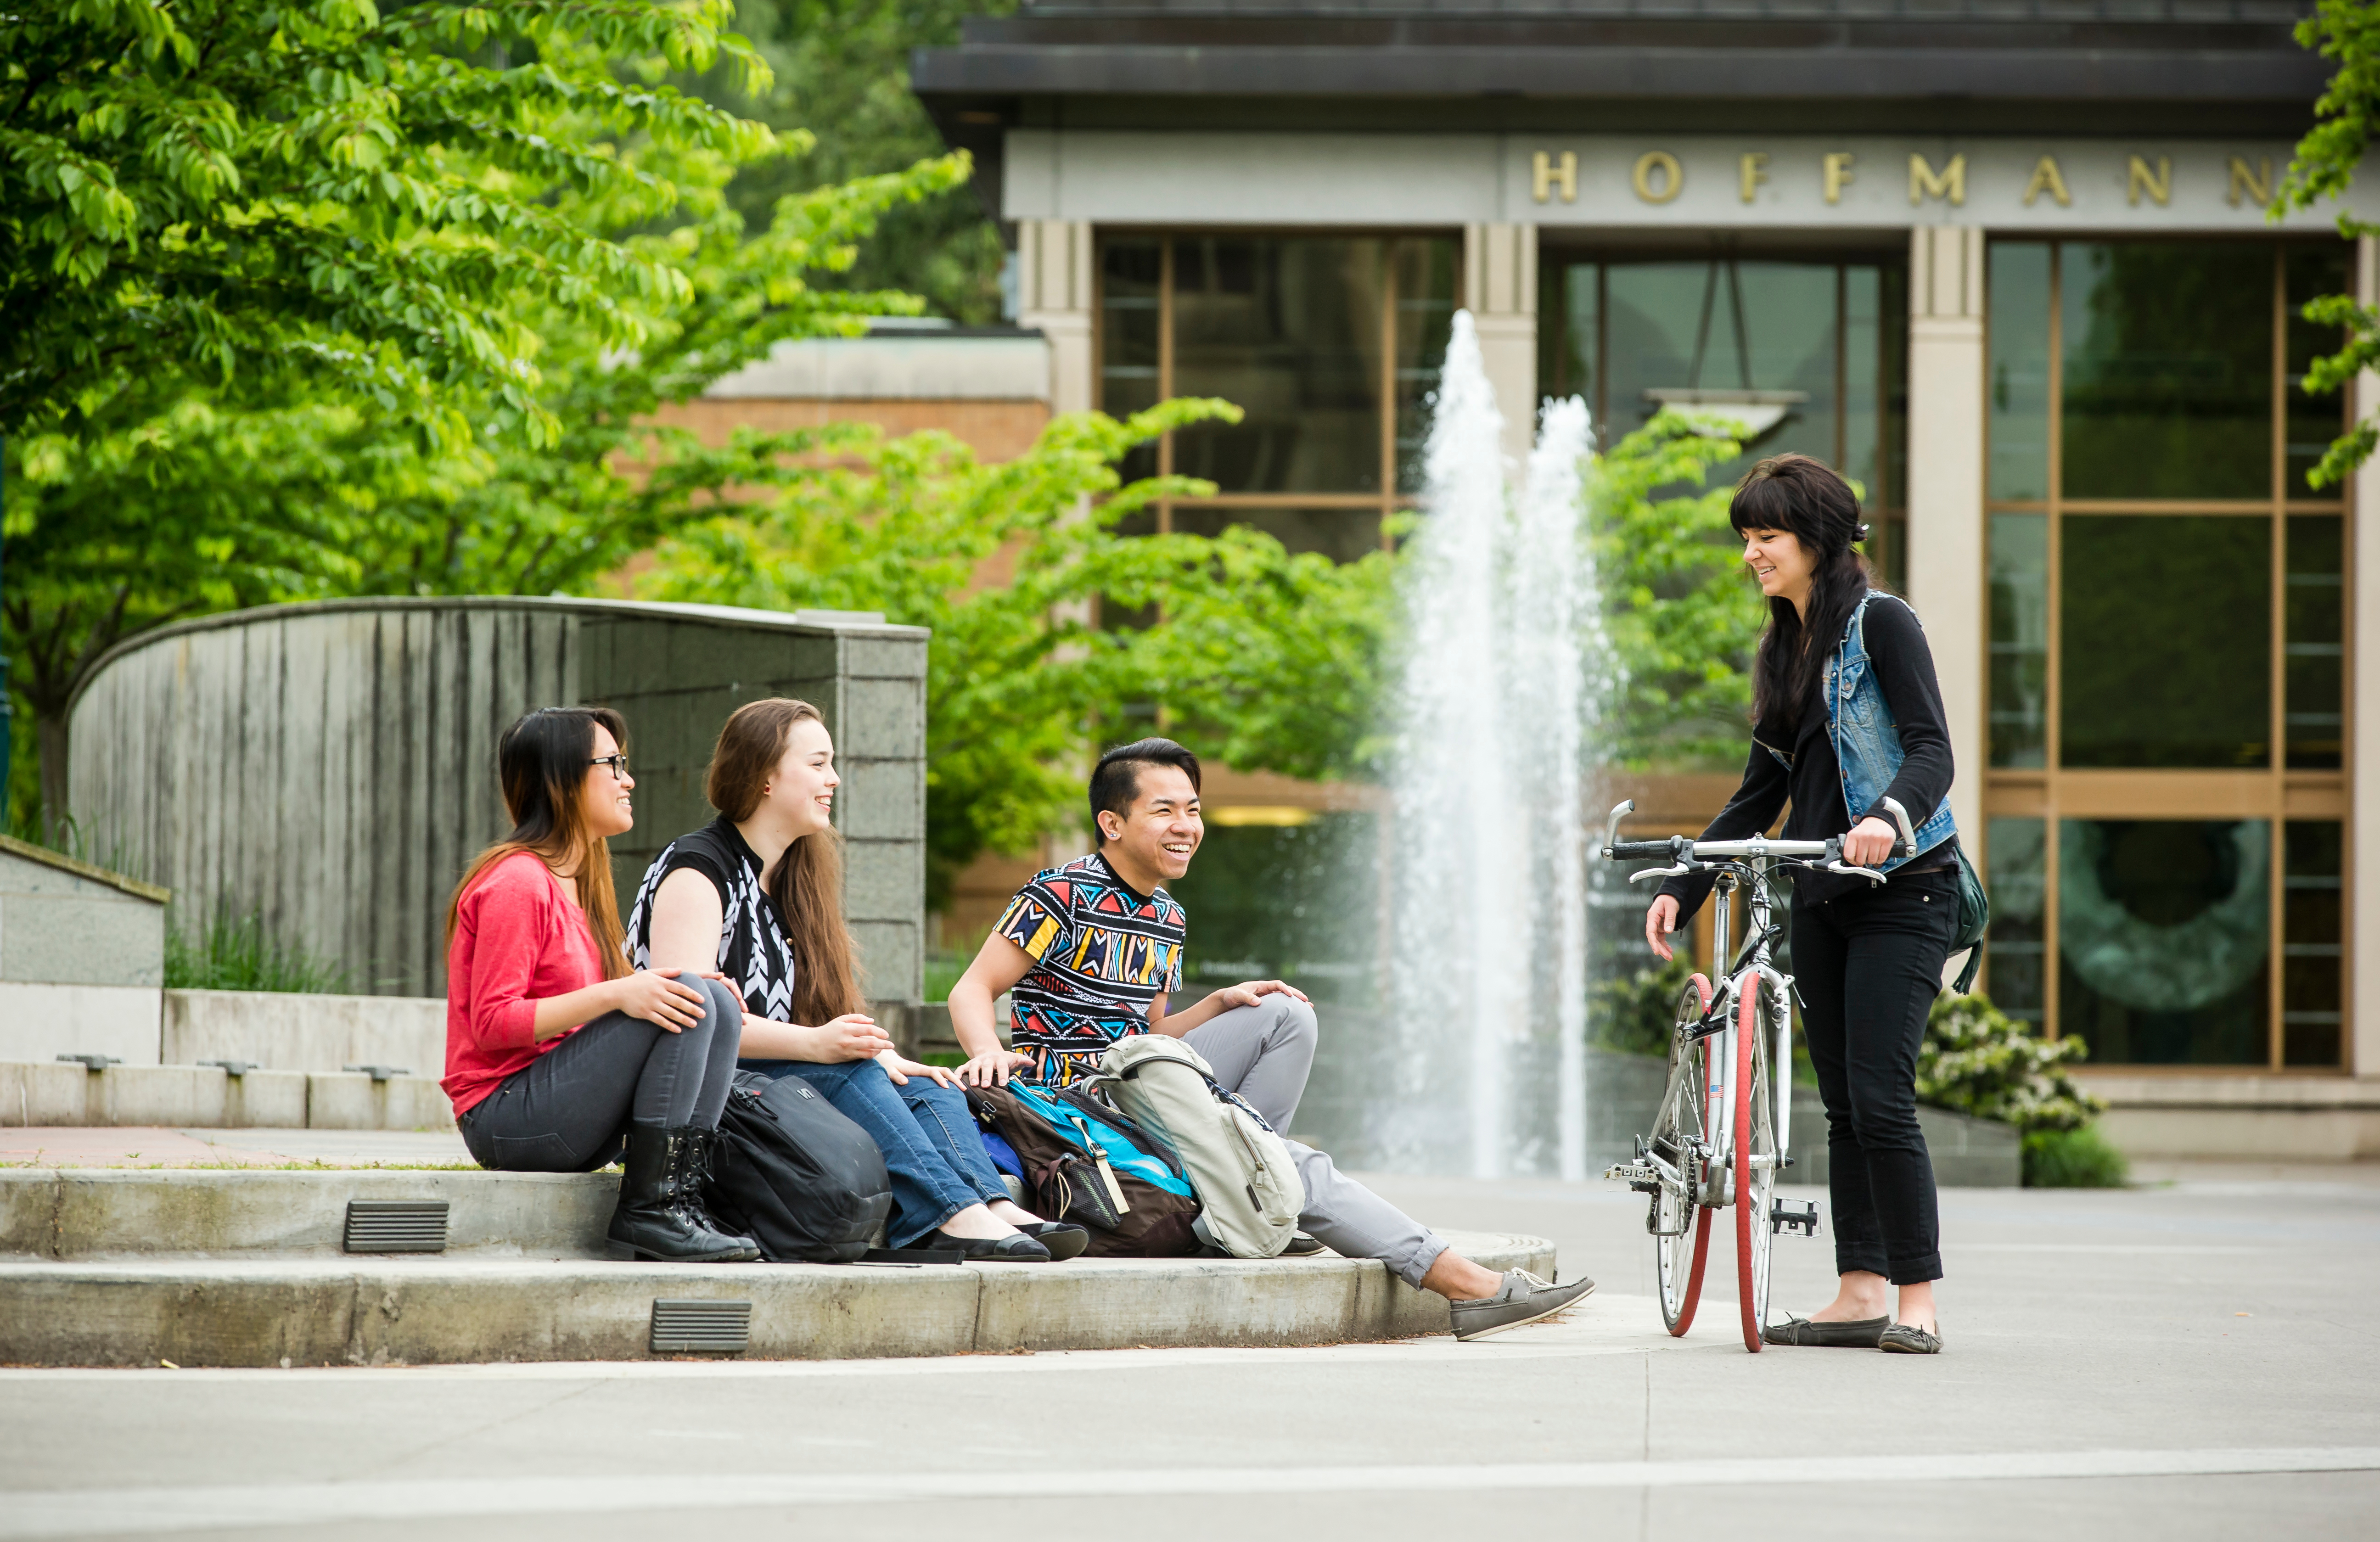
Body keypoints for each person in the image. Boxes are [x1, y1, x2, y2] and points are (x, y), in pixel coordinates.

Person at [948, 736, 1596, 1340]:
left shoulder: (1167, 914)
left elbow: (1151, 1036)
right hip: (1078, 1099)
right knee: (1293, 1164)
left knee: (1286, 1015)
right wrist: (987, 1050)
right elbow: (972, 989)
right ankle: (1467, 1285)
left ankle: (1253, 1173)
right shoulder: (1060, 892)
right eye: (1165, 810)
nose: (1186, 826)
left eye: (1194, 810)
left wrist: (1218, 1005)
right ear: (1112, 824)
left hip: (1140, 1081)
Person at [1645, 454, 1958, 1355]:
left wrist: (1888, 819)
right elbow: (1760, 793)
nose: (1752, 554)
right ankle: (1858, 1290)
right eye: (1746, 539)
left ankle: (1917, 1299)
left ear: (1817, 541)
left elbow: (1932, 751)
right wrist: (1686, 880)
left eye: (1767, 537)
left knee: (1882, 1096)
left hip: (1905, 888)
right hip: (1822, 894)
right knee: (1843, 1109)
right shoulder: (1784, 648)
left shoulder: (1882, 625)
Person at [627, 697, 1084, 1262]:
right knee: (853, 1070)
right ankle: (947, 1217)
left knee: (926, 1085)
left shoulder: (794, 875)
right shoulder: (698, 870)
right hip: (705, 1097)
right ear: (765, 776)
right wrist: (821, 1045)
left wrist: (875, 1054)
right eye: (818, 765)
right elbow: (691, 1022)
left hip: (777, 1078)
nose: (834, 779)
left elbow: (807, 1024)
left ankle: (992, 1207)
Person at [442, 707, 755, 1264]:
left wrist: (653, 985)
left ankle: (680, 1197)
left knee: (714, 1002)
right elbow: (493, 1026)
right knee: (689, 996)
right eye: (612, 764)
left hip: (562, 1102)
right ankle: (649, 1211)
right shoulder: (517, 881)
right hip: (506, 1116)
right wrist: (620, 993)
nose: (628, 779)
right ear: (561, 779)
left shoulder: (583, 879)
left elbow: (611, 1008)